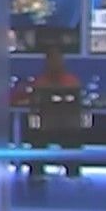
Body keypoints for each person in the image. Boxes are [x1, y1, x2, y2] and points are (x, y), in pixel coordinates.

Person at [24, 48, 84, 179]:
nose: (55, 63)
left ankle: (73, 174)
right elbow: (33, 104)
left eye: (57, 60)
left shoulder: (71, 81)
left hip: (66, 128)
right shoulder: (40, 83)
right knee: (36, 140)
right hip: (47, 128)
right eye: (52, 60)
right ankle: (37, 175)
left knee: (72, 141)